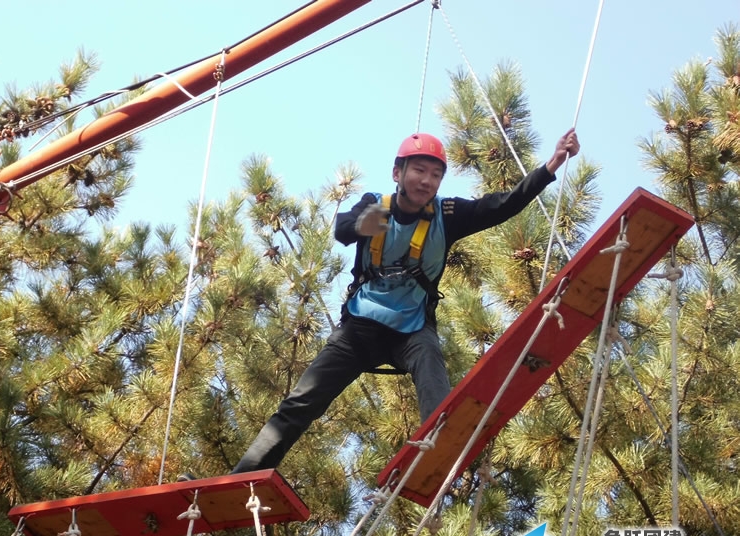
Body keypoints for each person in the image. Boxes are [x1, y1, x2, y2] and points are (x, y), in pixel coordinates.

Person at [230, 128, 580, 474]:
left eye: (436, 175)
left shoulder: (448, 215)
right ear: (398, 173)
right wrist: (363, 225)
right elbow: (342, 228)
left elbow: (503, 205)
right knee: (301, 401)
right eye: (419, 170)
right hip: (360, 328)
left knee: (430, 364)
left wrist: (552, 165)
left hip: (411, 330)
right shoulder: (375, 205)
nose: (427, 181)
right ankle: (244, 473)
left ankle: (439, 444)